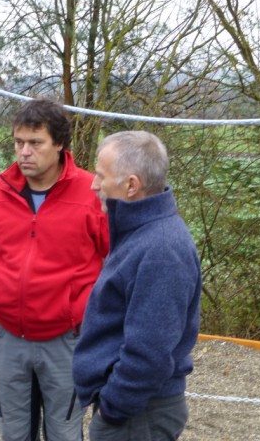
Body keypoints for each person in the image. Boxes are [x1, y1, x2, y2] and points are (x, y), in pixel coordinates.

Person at [0, 99, 109, 441]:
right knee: (14, 434)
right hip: (7, 335)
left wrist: (93, 311)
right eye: (19, 142)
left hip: (67, 338)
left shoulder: (91, 193)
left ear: (59, 143)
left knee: (64, 434)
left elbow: (119, 258)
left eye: (35, 143)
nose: (24, 152)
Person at [72, 131, 202, 441]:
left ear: (131, 185)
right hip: (135, 411)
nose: (93, 184)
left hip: (137, 415)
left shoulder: (160, 249)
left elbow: (149, 352)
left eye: (101, 176)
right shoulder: (142, 232)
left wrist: (114, 408)